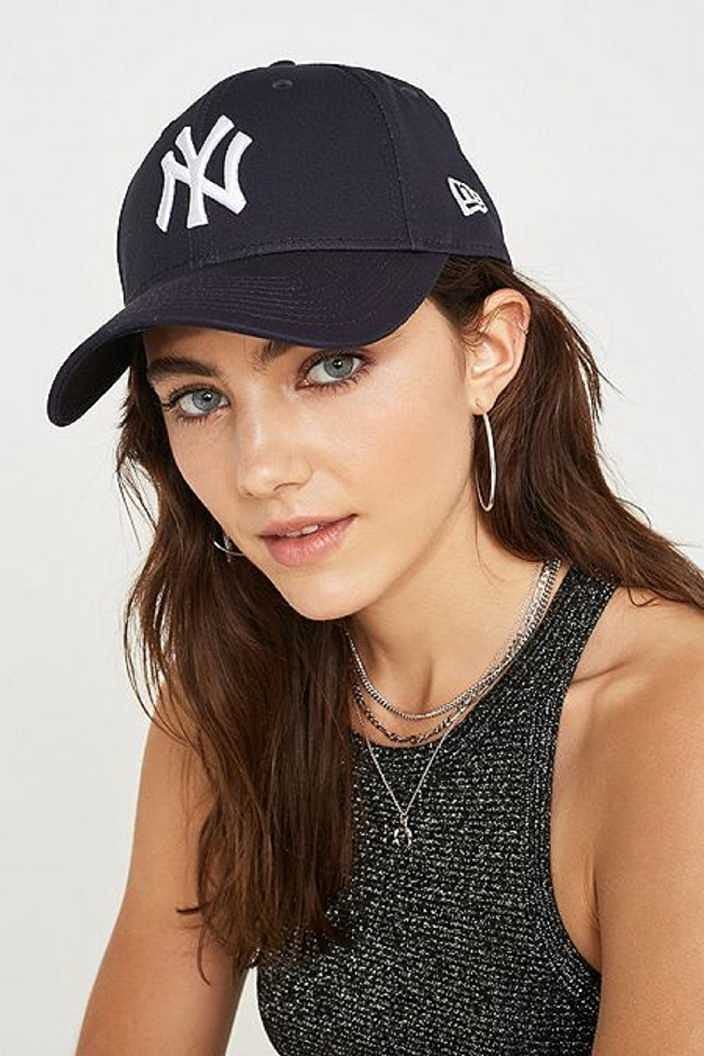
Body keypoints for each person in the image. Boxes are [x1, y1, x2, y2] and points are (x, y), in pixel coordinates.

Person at [47, 60, 704, 1056]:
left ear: (487, 350)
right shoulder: (233, 693)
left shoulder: (666, 720)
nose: (260, 467)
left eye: (331, 366)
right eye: (199, 397)